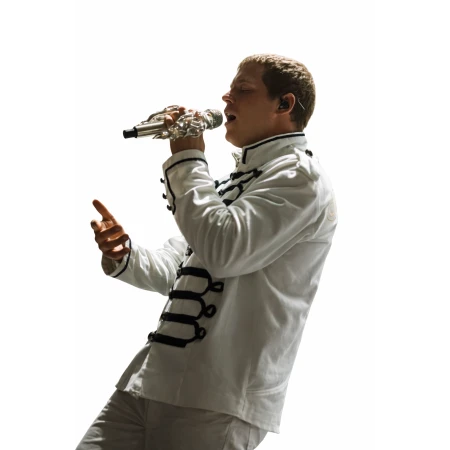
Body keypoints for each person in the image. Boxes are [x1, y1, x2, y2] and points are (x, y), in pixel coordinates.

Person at [77, 53, 338, 450]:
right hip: (152, 381)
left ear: (284, 104)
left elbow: (223, 251)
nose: (226, 98)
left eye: (243, 90)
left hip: (218, 399)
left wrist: (186, 157)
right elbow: (181, 269)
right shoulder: (235, 182)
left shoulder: (300, 177)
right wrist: (124, 255)